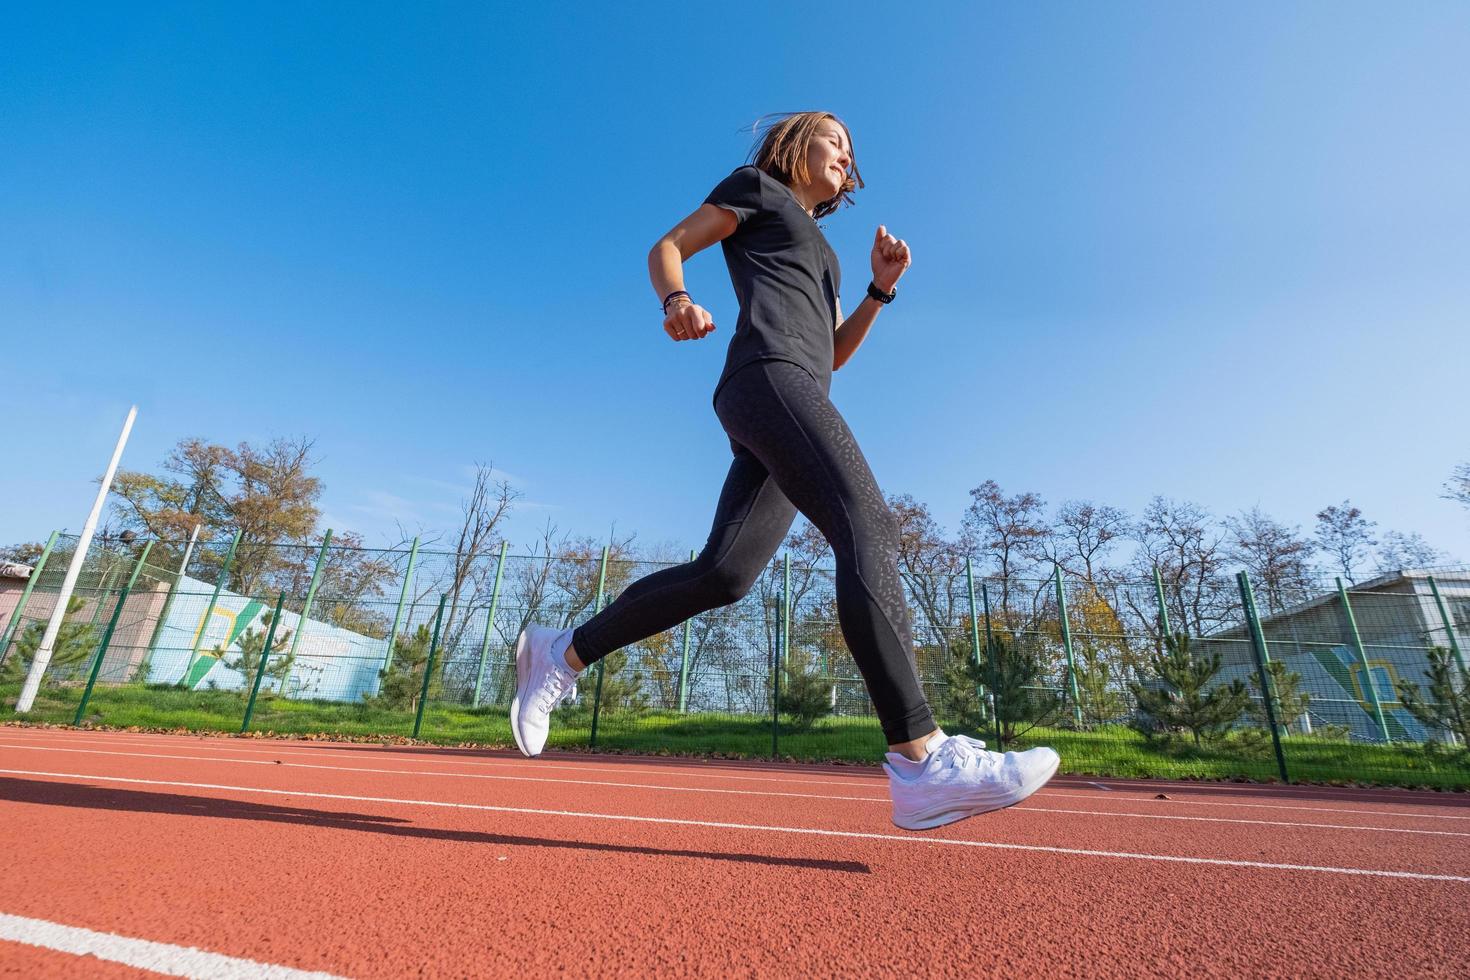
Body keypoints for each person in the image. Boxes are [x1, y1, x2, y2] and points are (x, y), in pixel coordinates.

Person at [511, 111, 1059, 830]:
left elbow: (833, 354)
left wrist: (879, 291)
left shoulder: (828, 255)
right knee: (866, 523)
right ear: (794, 144)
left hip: (797, 388)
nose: (846, 155)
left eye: (852, 151)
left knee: (725, 576)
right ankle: (920, 757)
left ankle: (563, 651)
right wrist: (676, 299)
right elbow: (669, 245)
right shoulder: (756, 190)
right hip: (765, 380)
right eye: (835, 138)